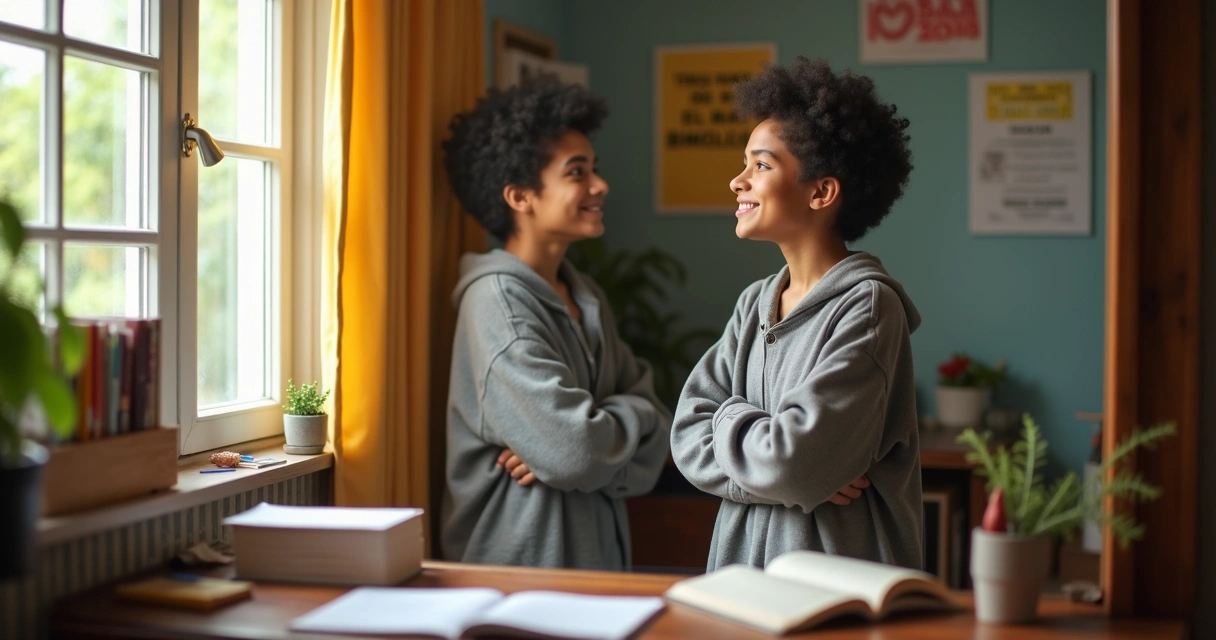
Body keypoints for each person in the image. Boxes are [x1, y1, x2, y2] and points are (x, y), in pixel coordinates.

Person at [671, 57, 923, 571]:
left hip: (833, 587)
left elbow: (791, 463)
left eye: (761, 165)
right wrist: (777, 457)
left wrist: (738, 433)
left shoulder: (869, 308)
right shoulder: (752, 304)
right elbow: (685, 437)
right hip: (742, 579)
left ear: (821, 192)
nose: (737, 181)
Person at [440, 75, 671, 571]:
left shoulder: (586, 296)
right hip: (522, 574)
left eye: (594, 168)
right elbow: (576, 452)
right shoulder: (497, 305)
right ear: (520, 196)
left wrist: (590, 436)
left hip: (596, 570)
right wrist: (583, 444)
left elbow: (655, 426)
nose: (599, 185)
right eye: (577, 172)